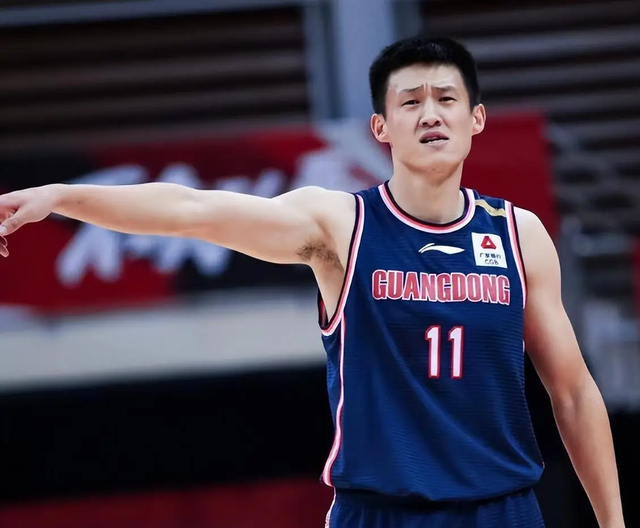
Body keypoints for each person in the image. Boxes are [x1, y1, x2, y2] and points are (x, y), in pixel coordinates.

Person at [0, 37, 625, 528]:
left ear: (476, 118)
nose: (430, 114)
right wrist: (64, 197)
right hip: (380, 511)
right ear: (381, 127)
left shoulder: (519, 235)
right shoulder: (341, 226)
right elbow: (194, 209)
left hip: (502, 509)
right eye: (410, 102)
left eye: (446, 98)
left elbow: (572, 392)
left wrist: (613, 523)